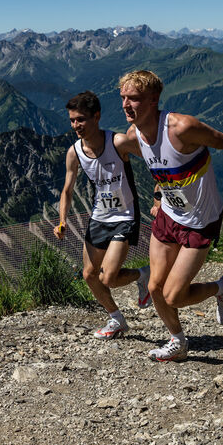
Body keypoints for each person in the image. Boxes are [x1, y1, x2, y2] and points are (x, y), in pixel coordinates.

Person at [116, 70, 223, 362]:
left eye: (135, 99)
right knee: (154, 286)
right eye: (124, 98)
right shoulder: (135, 136)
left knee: (174, 295)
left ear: (154, 100)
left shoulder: (181, 128)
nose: (127, 105)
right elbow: (164, 169)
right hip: (169, 216)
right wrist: (158, 197)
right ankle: (177, 341)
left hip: (200, 221)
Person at [54, 90, 151, 340]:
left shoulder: (118, 142)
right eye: (72, 120)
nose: (76, 125)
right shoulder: (74, 153)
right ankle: (116, 318)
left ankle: (142, 275)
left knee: (108, 277)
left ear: (96, 117)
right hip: (99, 217)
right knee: (88, 274)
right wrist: (62, 220)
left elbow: (155, 159)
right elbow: (66, 190)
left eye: (81, 119)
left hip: (125, 215)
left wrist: (161, 192)